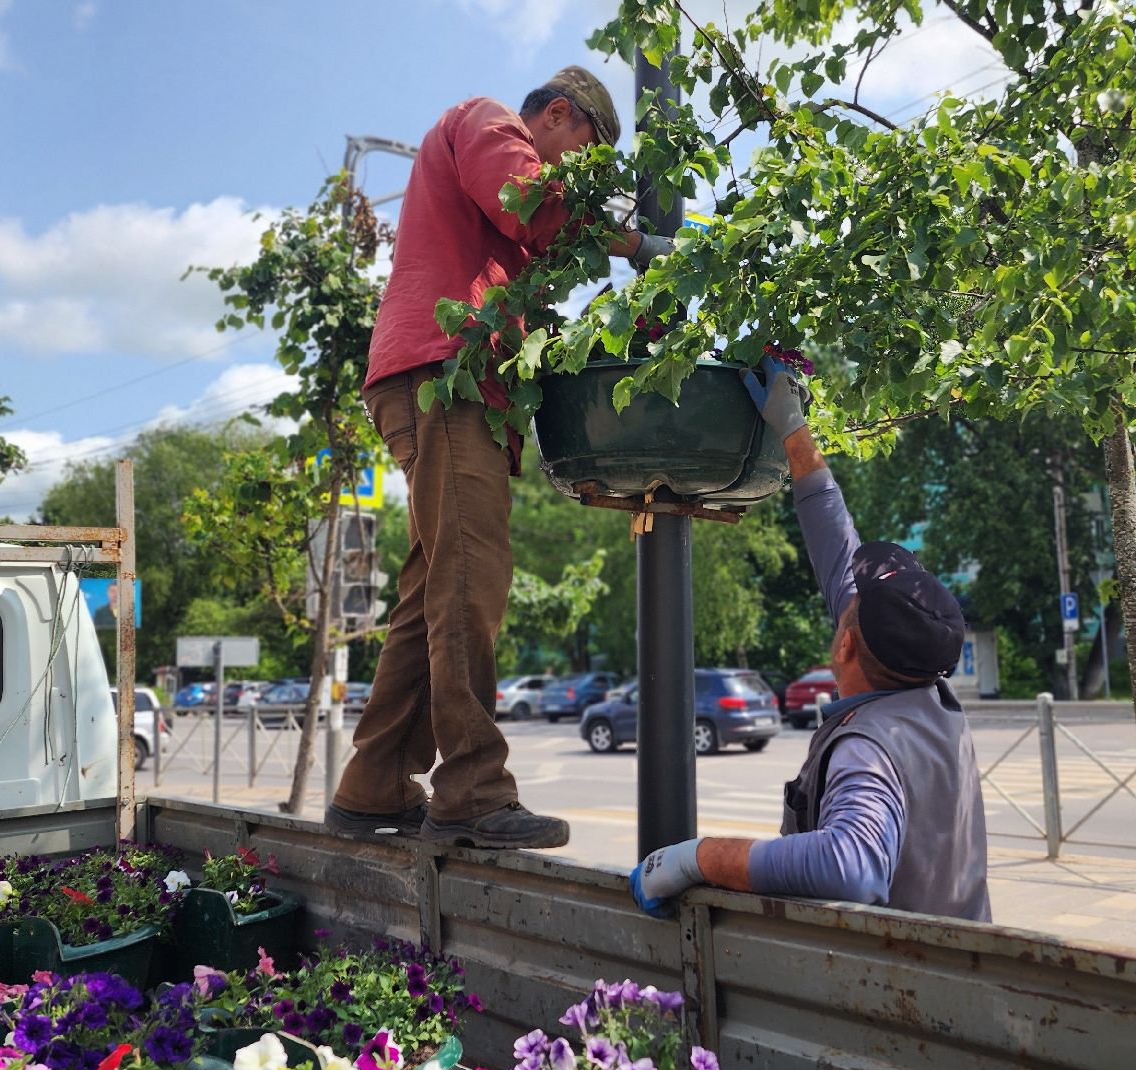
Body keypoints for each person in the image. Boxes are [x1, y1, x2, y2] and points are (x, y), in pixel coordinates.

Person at [327, 68, 675, 850]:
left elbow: (532, 232)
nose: (568, 178)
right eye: (576, 156)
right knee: (469, 579)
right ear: (556, 114)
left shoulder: (492, 167)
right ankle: (474, 792)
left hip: (447, 384)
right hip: (442, 381)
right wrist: (639, 243)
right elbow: (536, 207)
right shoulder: (487, 122)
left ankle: (373, 785)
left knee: (431, 591)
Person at [629, 356, 992, 921]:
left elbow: (851, 867)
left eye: (849, 608)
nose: (843, 593)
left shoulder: (868, 748)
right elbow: (835, 543)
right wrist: (792, 428)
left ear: (846, 645)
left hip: (893, 997)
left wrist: (698, 858)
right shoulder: (931, 701)